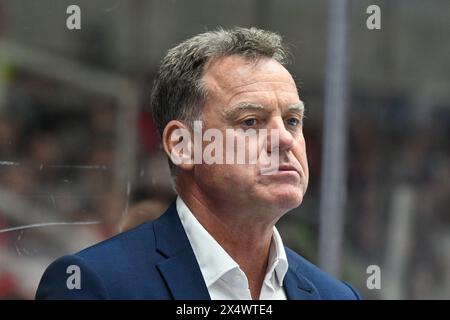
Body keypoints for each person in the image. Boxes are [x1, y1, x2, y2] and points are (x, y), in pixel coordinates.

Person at [36, 27, 360, 300]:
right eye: (250, 121)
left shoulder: (337, 296)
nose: (285, 139)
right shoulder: (95, 285)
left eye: (292, 120)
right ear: (182, 145)